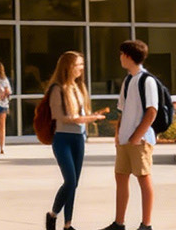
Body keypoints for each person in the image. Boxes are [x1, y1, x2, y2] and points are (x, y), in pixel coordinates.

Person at [102, 40, 159, 230]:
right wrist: (118, 134)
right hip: (125, 140)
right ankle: (119, 223)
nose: (119, 57)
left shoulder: (147, 80)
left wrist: (136, 137)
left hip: (140, 141)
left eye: (121, 54)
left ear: (127, 56)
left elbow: (152, 111)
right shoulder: (128, 81)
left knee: (144, 179)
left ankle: (146, 224)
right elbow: (123, 110)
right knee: (121, 177)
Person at [45, 51, 105, 230]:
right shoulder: (57, 88)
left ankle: (68, 224)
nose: (81, 68)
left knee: (74, 184)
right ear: (68, 66)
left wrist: (91, 116)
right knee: (70, 181)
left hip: (78, 138)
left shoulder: (79, 88)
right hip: (63, 139)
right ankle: (52, 215)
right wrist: (83, 119)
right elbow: (59, 116)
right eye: (78, 64)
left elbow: (81, 113)